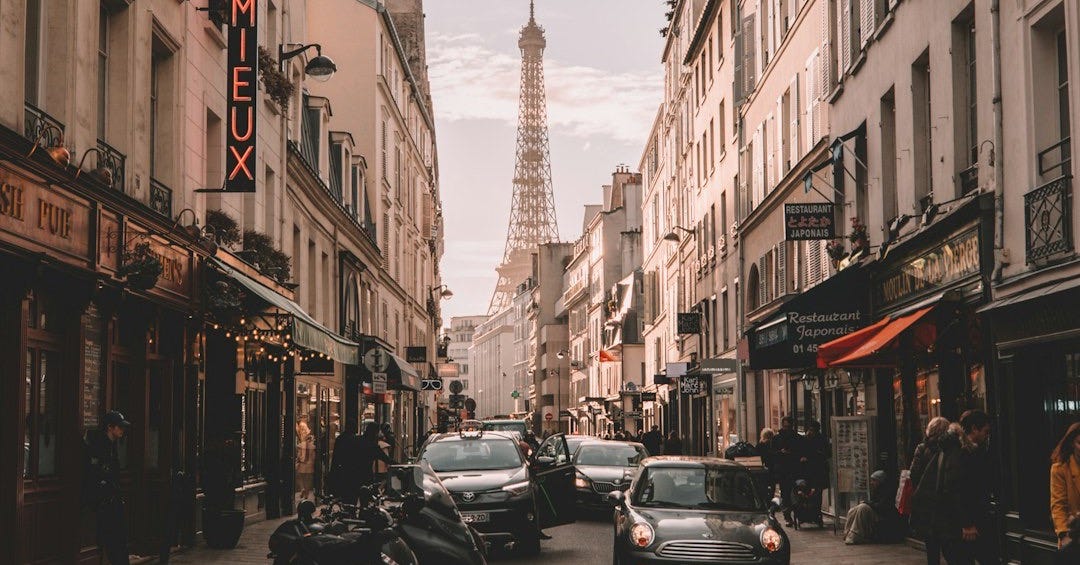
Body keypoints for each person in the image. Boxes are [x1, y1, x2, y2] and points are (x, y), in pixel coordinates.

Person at [912, 410, 995, 564]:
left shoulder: (953, 448)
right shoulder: (959, 451)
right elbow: (955, 488)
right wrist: (967, 523)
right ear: (974, 429)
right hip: (956, 525)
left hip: (949, 523)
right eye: (986, 431)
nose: (987, 435)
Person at [84, 410, 132, 565]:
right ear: (110, 427)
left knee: (120, 540)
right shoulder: (100, 446)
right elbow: (97, 475)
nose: (122, 430)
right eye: (119, 427)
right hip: (104, 502)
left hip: (112, 499)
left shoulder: (112, 445)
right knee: (113, 541)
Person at [909, 417, 951, 565]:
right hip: (944, 502)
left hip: (926, 503)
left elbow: (914, 474)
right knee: (949, 545)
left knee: (931, 545)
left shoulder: (922, 448)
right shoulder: (949, 448)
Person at [844, 470, 901, 545]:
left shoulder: (888, 491)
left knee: (863, 507)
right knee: (853, 510)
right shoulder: (876, 490)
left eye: (874, 480)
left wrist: (867, 503)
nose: (871, 483)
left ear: (879, 481)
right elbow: (874, 502)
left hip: (883, 515)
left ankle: (856, 535)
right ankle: (847, 533)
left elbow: (881, 506)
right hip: (877, 512)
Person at [1050, 422, 1080, 550]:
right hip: (1073, 533)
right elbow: (1058, 504)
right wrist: (1063, 534)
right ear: (1072, 443)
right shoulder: (1060, 468)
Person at [772, 416, 804, 526]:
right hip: (783, 470)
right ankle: (787, 516)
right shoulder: (777, 439)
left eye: (789, 427)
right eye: (785, 427)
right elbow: (773, 454)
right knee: (785, 493)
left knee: (796, 492)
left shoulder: (798, 438)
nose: (787, 429)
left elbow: (801, 452)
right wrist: (781, 452)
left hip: (795, 469)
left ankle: (798, 514)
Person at [802, 421, 829, 526]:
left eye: (812, 430)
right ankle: (810, 514)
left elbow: (826, 453)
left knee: (817, 494)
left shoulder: (821, 440)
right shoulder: (806, 439)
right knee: (810, 493)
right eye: (810, 430)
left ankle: (816, 514)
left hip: (817, 471)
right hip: (809, 471)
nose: (810, 432)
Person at [295, 421, 316, 500]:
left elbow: (299, 455)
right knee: (308, 479)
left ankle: (302, 489)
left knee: (301, 477)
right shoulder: (312, 446)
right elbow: (313, 456)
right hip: (309, 465)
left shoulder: (301, 445)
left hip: (302, 464)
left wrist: (299, 459)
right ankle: (306, 492)